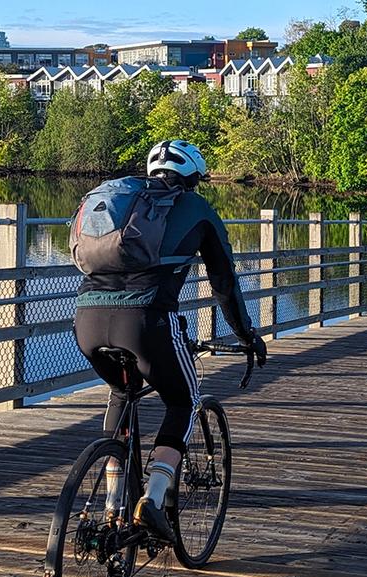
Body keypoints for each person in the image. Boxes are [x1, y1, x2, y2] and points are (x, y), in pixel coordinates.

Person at [71, 139, 266, 542]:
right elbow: (224, 283)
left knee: (122, 395)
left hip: (87, 320)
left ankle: (111, 507)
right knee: (183, 400)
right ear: (194, 177)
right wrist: (247, 335)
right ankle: (153, 500)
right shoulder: (196, 209)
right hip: (147, 322)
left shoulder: (120, 202)